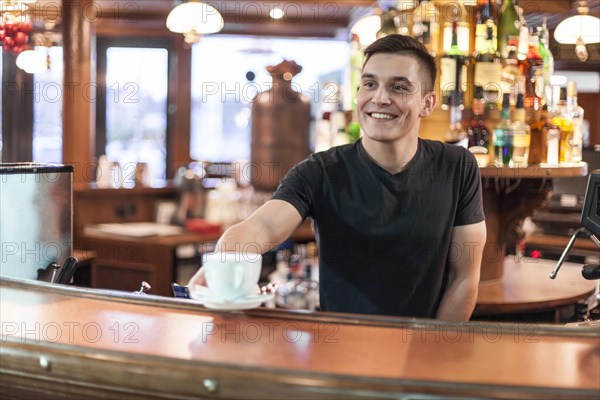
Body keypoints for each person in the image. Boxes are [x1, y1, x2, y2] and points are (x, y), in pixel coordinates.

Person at [189, 34, 486, 322]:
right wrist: (225, 255)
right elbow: (263, 226)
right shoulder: (320, 171)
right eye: (369, 84)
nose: (380, 98)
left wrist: (435, 351)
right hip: (339, 351)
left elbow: (464, 278)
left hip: (421, 352)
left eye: (399, 88)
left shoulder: (456, 166)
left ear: (427, 103)